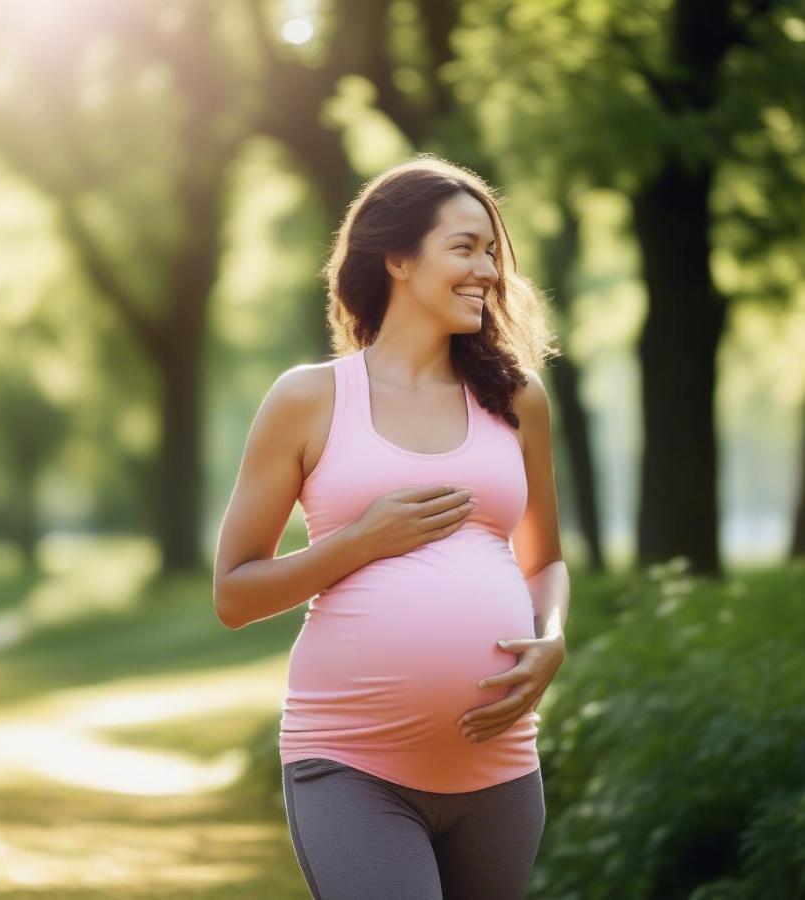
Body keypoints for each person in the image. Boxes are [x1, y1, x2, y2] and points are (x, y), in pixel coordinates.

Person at [214, 153, 570, 899]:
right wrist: (359, 542)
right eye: (465, 248)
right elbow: (235, 594)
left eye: (493, 253)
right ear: (399, 259)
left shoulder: (517, 398)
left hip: (498, 767)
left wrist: (553, 638)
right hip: (351, 762)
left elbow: (544, 562)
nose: (488, 270)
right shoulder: (309, 399)